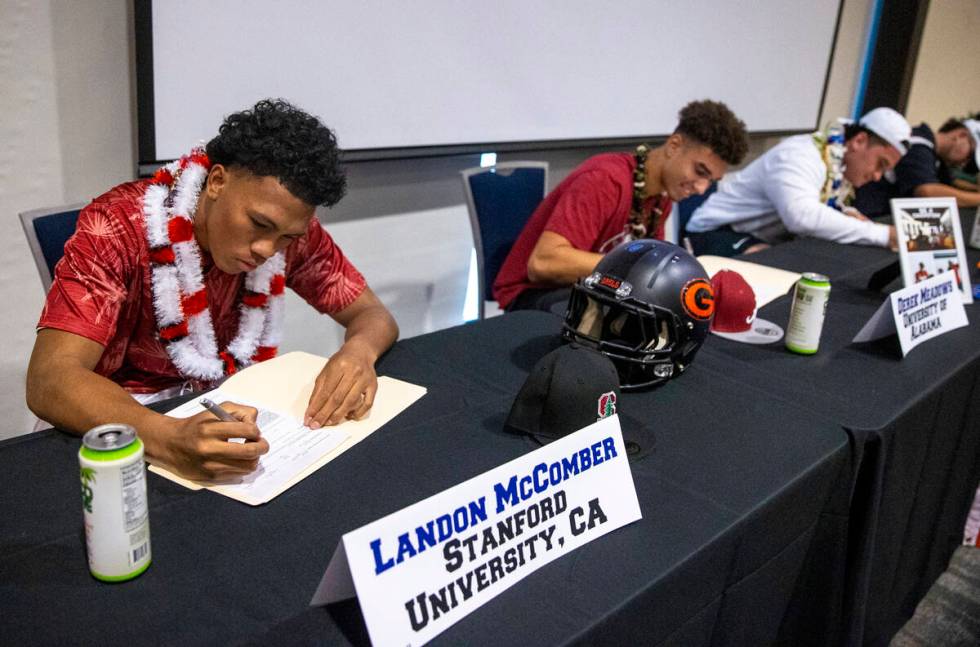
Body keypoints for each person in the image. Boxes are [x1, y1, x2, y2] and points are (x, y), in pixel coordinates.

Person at [26, 99, 399, 480]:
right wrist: (168, 436)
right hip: (119, 432)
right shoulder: (119, 227)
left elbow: (373, 316)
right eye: (258, 223)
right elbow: (50, 378)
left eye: (287, 237)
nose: (267, 250)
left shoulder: (291, 234)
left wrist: (358, 353)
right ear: (217, 181)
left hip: (227, 411)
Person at [492, 100, 748, 312]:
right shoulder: (604, 179)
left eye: (710, 180)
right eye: (699, 171)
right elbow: (543, 264)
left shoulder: (661, 197)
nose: (702, 188)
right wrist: (633, 268)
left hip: (584, 288)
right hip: (532, 295)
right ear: (674, 146)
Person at [684, 107, 912, 257]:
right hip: (714, 230)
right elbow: (802, 216)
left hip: (759, 236)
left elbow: (820, 205)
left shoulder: (836, 163)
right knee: (768, 264)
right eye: (880, 164)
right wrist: (884, 234)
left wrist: (845, 213)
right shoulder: (800, 155)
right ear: (859, 141)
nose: (877, 176)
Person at [854, 117, 980, 216]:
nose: (964, 164)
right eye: (970, 157)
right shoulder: (917, 144)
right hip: (867, 215)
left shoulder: (934, 154)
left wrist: (974, 188)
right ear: (962, 135)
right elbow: (927, 191)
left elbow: (951, 184)